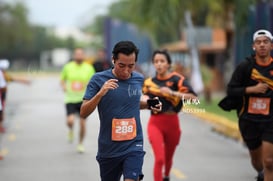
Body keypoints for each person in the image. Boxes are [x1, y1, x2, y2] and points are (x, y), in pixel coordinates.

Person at [80, 41, 162, 181]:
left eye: (131, 66)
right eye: (121, 65)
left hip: (133, 144)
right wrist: (100, 93)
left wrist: (149, 104)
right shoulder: (98, 80)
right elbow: (83, 112)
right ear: (113, 60)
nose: (126, 71)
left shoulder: (138, 79)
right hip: (109, 149)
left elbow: (133, 103)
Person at [219, 29, 273, 181]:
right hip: (249, 119)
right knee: (258, 162)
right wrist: (251, 89)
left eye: (265, 42)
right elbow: (231, 90)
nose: (262, 45)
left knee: (269, 161)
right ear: (253, 46)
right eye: (258, 42)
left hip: (270, 120)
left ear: (271, 46)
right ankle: (261, 173)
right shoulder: (245, 66)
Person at [142, 50, 197, 181]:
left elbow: (193, 98)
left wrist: (173, 93)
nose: (159, 64)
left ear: (168, 64)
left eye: (162, 61)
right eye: (156, 61)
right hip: (155, 123)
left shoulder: (177, 80)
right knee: (159, 159)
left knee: (168, 158)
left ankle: (166, 175)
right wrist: (144, 100)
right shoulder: (149, 83)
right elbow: (144, 99)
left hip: (173, 122)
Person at [60, 48, 95, 153]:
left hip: (84, 99)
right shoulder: (68, 67)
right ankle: (70, 130)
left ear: (83, 56)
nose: (79, 56)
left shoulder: (89, 68)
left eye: (81, 54)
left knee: (82, 122)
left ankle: (80, 143)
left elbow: (93, 81)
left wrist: (89, 86)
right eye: (77, 54)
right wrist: (64, 87)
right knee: (70, 121)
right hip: (70, 98)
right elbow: (62, 79)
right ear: (74, 55)